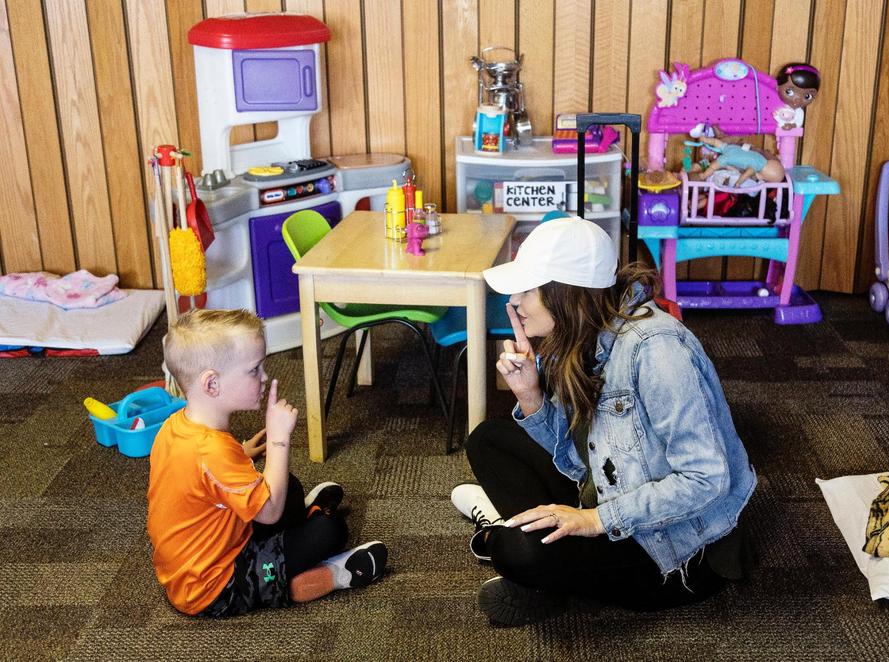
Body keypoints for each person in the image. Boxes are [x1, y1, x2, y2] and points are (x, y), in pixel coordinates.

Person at [450, 217, 757, 626]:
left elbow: (706, 479)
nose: (514, 303)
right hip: (608, 493)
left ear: (564, 293)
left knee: (517, 552)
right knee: (488, 439)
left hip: (676, 550)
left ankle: (510, 546)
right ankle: (535, 555)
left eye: (527, 290)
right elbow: (577, 456)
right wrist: (530, 396)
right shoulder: (577, 337)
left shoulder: (658, 350)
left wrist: (595, 520)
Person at [147, 309, 388, 617]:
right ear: (211, 385)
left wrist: (242, 452)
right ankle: (331, 576)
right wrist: (278, 440)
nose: (264, 377)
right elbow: (270, 512)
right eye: (254, 370)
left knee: (292, 487)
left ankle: (302, 519)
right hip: (214, 587)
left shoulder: (175, 427)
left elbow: (197, 479)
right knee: (330, 531)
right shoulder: (213, 452)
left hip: (201, 554)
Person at [773, 62, 820, 130]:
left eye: (807, 96)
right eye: (789, 92)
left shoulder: (799, 112)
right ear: (777, 86)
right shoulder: (774, 104)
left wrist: (792, 126)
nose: (798, 99)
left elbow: (798, 122)